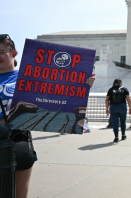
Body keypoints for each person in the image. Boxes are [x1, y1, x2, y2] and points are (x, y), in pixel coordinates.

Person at [0, 34, 95, 198]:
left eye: (1, 51)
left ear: (14, 53)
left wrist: (83, 84)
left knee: (19, 194)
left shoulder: (29, 76)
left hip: (17, 141)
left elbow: (59, 95)